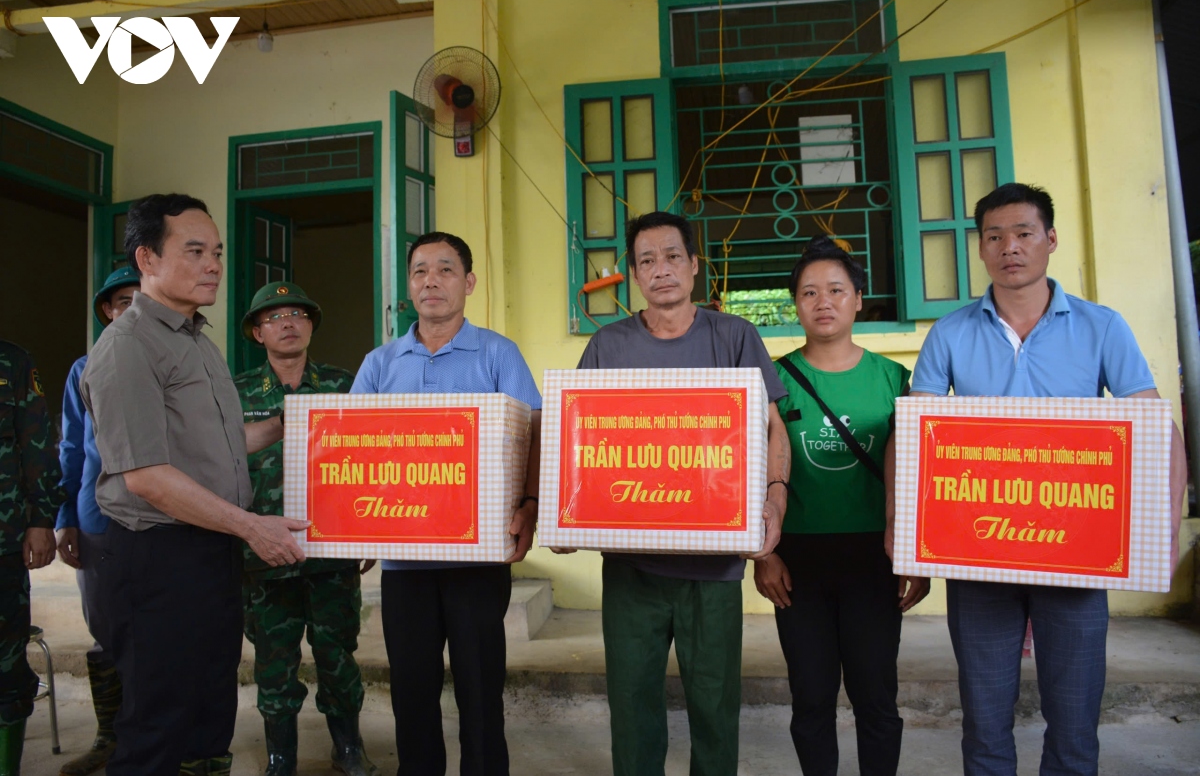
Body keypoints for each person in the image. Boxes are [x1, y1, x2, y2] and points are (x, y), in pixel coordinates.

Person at [904, 183, 1186, 775]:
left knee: (1076, 720)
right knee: (983, 721)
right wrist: (907, 541)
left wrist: (1160, 533)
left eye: (1024, 233)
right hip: (979, 552)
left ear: (1050, 240)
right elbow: (916, 440)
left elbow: (1155, 430)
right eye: (994, 236)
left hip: (1076, 553)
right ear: (980, 249)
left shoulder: (1102, 327)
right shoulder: (949, 334)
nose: (1010, 247)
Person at [80, 193, 309, 776]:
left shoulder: (196, 343)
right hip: (157, 558)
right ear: (147, 259)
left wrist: (296, 424)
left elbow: (226, 445)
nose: (214, 265)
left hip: (209, 550)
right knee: (157, 725)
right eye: (196, 251)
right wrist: (251, 526)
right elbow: (148, 476)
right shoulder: (128, 347)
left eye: (218, 252)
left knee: (207, 716)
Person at [570, 211, 790, 776]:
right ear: (634, 275)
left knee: (715, 708)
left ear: (694, 266)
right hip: (629, 568)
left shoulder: (734, 335)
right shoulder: (606, 347)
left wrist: (773, 498)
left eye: (672, 257)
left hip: (712, 567)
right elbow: (578, 439)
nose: (660, 269)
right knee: (632, 706)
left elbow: (770, 428)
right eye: (647, 260)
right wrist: (563, 513)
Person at [351, 231, 542, 776]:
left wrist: (528, 506)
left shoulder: (498, 353)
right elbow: (350, 446)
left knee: (481, 693)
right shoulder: (381, 363)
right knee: (412, 693)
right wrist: (354, 530)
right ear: (409, 285)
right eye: (419, 271)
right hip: (404, 565)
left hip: (478, 562)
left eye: (445, 270)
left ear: (469, 282)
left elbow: (533, 430)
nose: (430, 281)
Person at [753, 237, 929, 776]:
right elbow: (749, 472)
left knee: (876, 696)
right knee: (811, 698)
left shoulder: (897, 381)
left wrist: (918, 558)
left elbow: (923, 474)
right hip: (796, 561)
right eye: (809, 292)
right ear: (795, 305)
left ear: (858, 299)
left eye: (835, 290)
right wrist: (762, 555)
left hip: (874, 557)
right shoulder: (772, 383)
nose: (822, 302)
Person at [233, 281, 378, 776]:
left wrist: (369, 531)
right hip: (265, 555)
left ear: (312, 324)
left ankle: (349, 747)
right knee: (274, 661)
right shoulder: (235, 392)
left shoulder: (346, 385)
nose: (287, 323)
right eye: (274, 317)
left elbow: (371, 461)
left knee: (338, 652)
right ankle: (280, 758)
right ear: (257, 332)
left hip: (332, 552)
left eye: (297, 313)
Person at [55, 266, 139, 776]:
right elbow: (70, 447)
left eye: (140, 299)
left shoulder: (171, 364)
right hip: (97, 521)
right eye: (121, 301)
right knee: (106, 632)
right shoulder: (83, 369)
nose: (131, 309)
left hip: (160, 520)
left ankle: (152, 737)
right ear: (107, 310)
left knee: (154, 634)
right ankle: (111, 736)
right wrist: (63, 517)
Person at [0, 341, 62, 773]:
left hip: (2, 543)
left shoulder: (14, 362)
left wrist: (42, 519)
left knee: (6, 667)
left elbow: (37, 444)